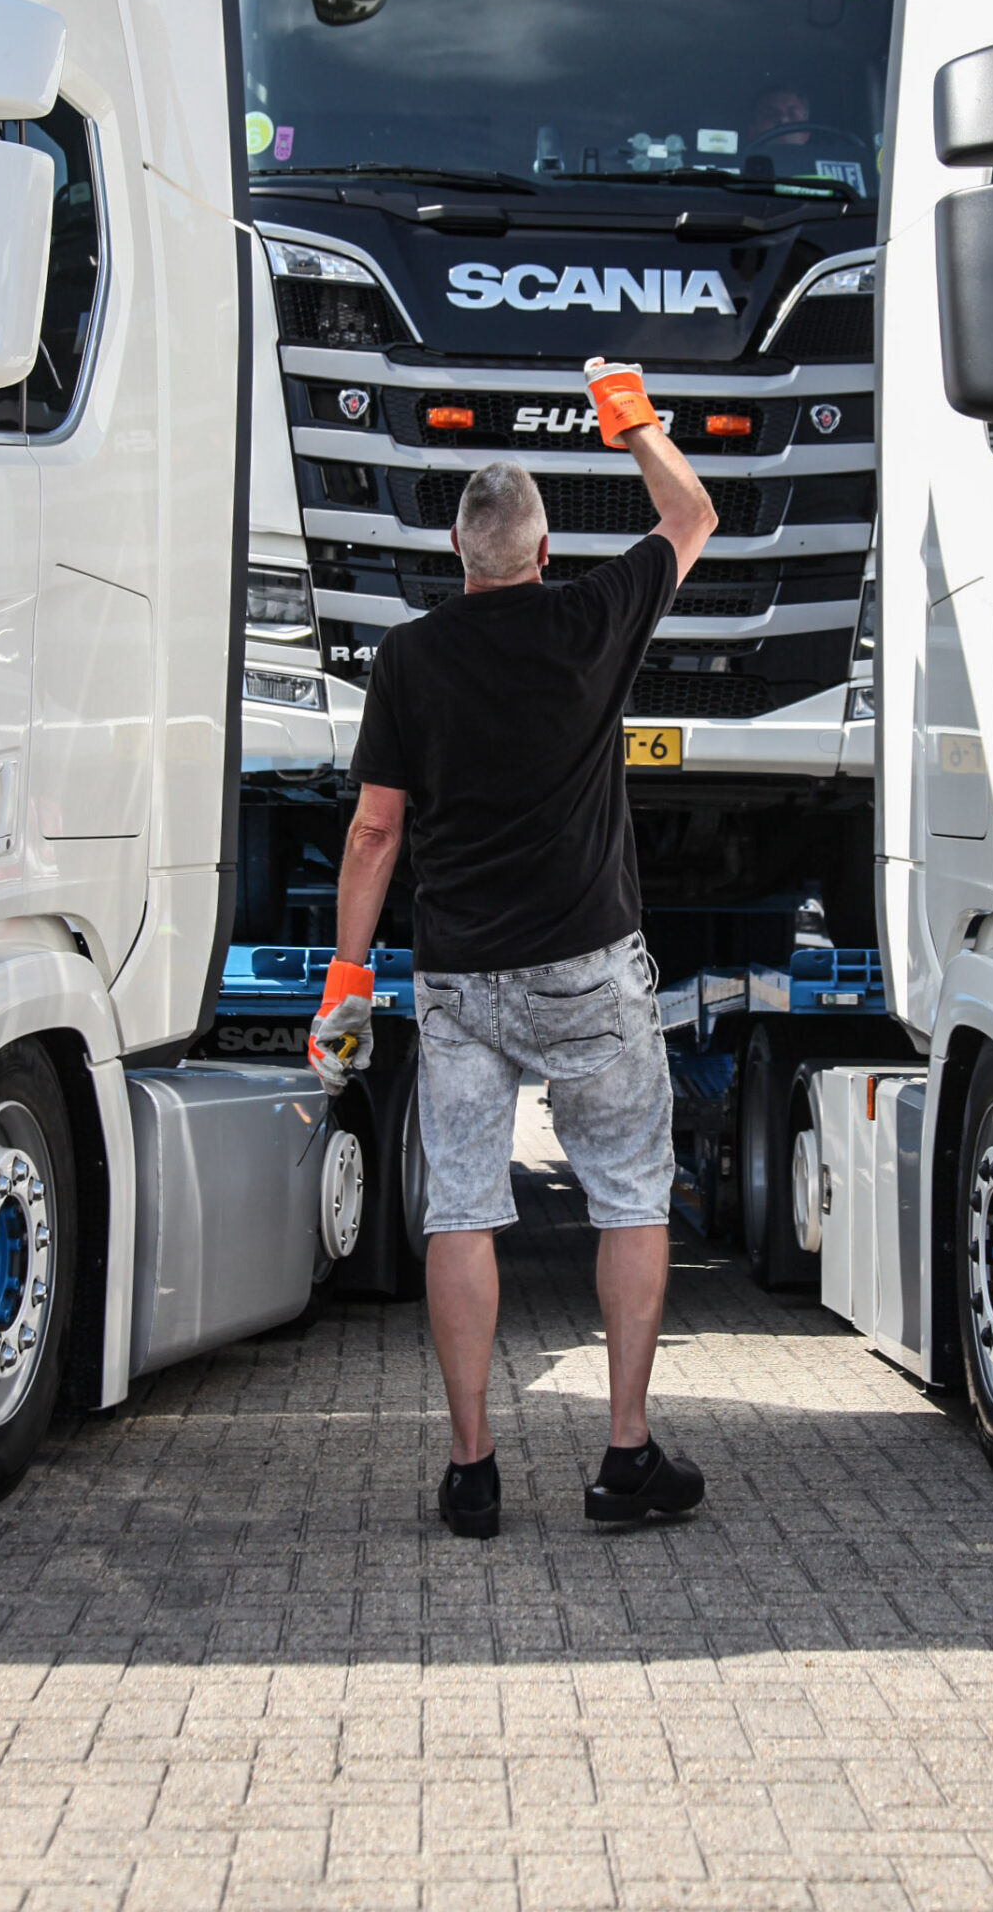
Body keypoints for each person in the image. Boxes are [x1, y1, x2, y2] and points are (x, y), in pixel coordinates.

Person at [305, 360, 718, 1539]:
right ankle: (624, 1456)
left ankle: (472, 1470)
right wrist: (627, 417)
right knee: (628, 1194)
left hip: (459, 982)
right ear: (543, 550)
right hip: (587, 967)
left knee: (462, 1210)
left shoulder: (408, 657)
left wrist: (345, 984)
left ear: (456, 549)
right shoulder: (591, 617)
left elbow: (373, 832)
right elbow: (691, 514)